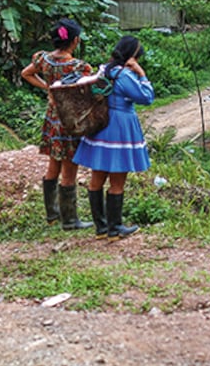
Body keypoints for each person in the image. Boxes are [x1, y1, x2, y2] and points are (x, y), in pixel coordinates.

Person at [73, 35, 153, 241]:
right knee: (117, 179)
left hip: (100, 126)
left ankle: (101, 228)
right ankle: (115, 229)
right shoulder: (125, 75)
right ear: (132, 56)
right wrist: (141, 73)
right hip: (120, 127)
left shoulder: (104, 70)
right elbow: (147, 97)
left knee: (97, 178)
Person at [20, 18, 93, 231]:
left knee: (53, 165)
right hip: (69, 121)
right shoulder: (78, 67)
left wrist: (48, 87)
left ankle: (52, 214)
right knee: (69, 170)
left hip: (52, 118)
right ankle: (70, 220)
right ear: (76, 41)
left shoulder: (44, 60)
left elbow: (26, 73)